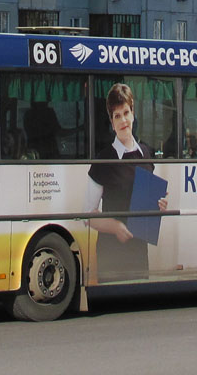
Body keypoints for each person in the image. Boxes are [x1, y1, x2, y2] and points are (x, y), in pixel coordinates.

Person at [84, 83, 169, 282]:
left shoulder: (146, 154)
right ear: (111, 122)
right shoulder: (103, 160)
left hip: (139, 251)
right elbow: (87, 215)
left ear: (133, 114)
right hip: (111, 252)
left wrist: (160, 207)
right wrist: (114, 226)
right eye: (117, 116)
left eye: (126, 113)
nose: (123, 120)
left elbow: (148, 206)